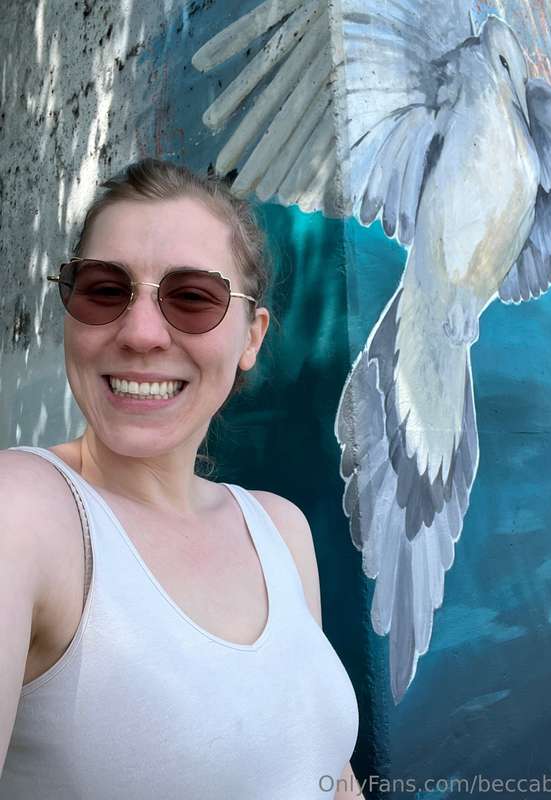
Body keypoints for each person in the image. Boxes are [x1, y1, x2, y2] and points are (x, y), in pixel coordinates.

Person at [0, 158, 365, 799]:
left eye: (193, 298)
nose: (140, 333)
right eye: (103, 291)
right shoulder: (25, 514)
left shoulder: (280, 529)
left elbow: (328, 775)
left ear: (251, 338)